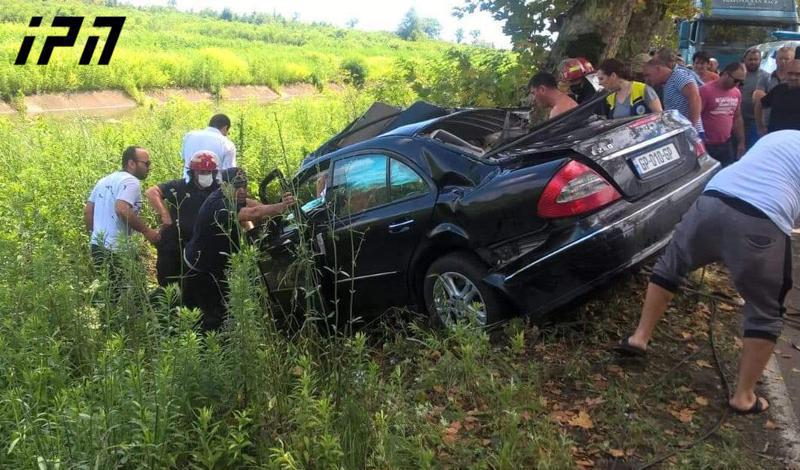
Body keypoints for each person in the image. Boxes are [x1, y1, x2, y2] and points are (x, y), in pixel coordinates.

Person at [619, 130, 800, 415]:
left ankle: (639, 338)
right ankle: (743, 396)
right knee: (766, 309)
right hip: (762, 218)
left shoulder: (781, 136)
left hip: (714, 197)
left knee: (672, 266)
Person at [182, 168, 295, 331]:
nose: (242, 190)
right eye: (237, 186)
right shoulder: (219, 205)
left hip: (216, 265)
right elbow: (253, 213)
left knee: (226, 306)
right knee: (212, 316)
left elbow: (253, 204)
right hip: (200, 269)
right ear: (224, 186)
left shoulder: (232, 196)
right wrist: (281, 207)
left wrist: (274, 210)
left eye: (244, 185)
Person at [84, 146, 161, 296]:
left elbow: (88, 211)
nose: (149, 167)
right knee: (137, 295)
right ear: (131, 163)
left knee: (111, 295)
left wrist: (95, 235)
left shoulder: (104, 180)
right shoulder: (131, 181)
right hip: (118, 249)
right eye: (146, 163)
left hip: (98, 246)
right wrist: (147, 231)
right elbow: (122, 209)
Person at [144, 151, 219, 288]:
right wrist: (165, 215)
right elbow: (152, 192)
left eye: (209, 172)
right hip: (175, 247)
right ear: (193, 172)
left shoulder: (219, 190)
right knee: (170, 287)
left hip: (203, 249)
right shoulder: (179, 186)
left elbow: (239, 201)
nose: (205, 175)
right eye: (202, 172)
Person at [644, 49, 704, 135]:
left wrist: (691, 128)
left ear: (658, 69)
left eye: (647, 75)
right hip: (680, 133)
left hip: (691, 133)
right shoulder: (667, 82)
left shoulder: (678, 75)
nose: (646, 79)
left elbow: (695, 99)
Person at [699, 62, 747, 166]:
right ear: (726, 74)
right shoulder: (705, 90)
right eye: (736, 80)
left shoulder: (736, 93)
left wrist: (741, 142)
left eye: (741, 82)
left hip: (726, 144)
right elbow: (696, 117)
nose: (737, 84)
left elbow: (737, 118)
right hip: (707, 145)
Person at [597, 58, 662, 118]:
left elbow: (659, 115)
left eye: (601, 79)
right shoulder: (609, 98)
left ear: (613, 76)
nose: (599, 83)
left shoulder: (643, 89)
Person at [754, 46, 796, 136]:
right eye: (780, 58)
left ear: (793, 60)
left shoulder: (794, 81)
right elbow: (758, 99)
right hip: (768, 123)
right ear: (776, 60)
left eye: (786, 59)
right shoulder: (766, 78)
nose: (783, 61)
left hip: (791, 125)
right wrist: (760, 127)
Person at [181, 113, 237, 181]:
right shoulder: (227, 144)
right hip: (213, 186)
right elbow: (229, 173)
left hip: (188, 183)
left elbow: (184, 158)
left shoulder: (189, 136)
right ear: (225, 128)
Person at [741, 48, 769, 149]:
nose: (753, 62)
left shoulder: (766, 77)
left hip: (755, 122)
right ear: (744, 60)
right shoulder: (739, 75)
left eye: (756, 59)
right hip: (739, 120)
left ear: (760, 60)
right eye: (750, 59)